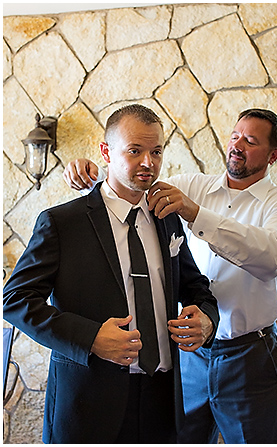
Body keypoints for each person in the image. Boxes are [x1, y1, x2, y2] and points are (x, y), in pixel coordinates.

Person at [63, 109, 277, 443]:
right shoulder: (192, 184)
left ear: (273, 155)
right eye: (235, 135)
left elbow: (270, 257)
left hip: (249, 356)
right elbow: (134, 184)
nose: (237, 145)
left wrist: (196, 214)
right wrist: (94, 169)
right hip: (191, 354)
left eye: (250, 140)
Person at [3, 104, 219, 443]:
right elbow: (15, 300)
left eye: (156, 151)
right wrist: (90, 338)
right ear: (106, 152)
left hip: (164, 402)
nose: (148, 162)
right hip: (88, 404)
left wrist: (207, 319)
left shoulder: (167, 217)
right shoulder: (62, 223)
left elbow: (196, 287)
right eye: (135, 151)